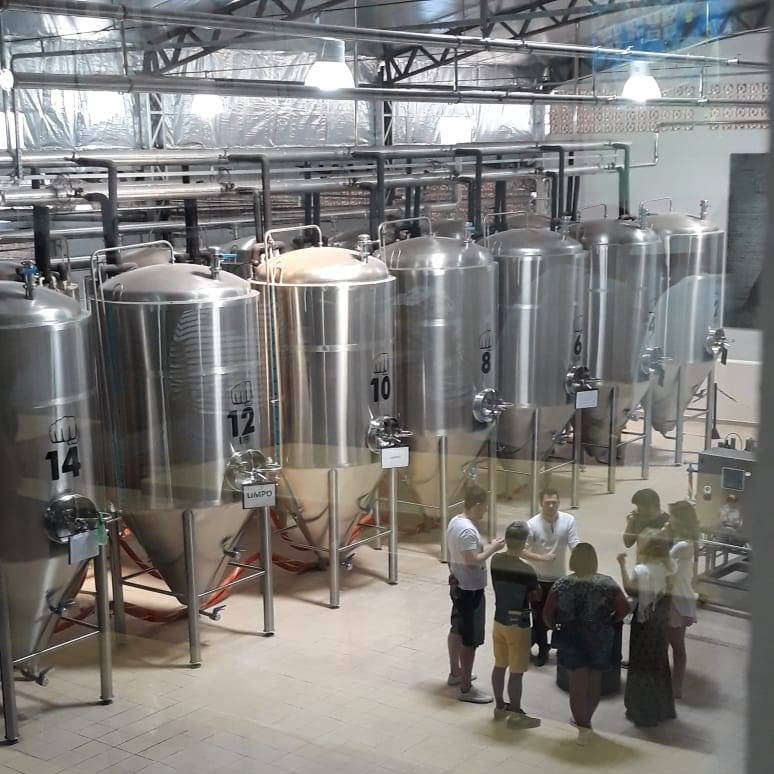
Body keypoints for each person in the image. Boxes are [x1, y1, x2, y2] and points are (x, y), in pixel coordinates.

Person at [543, 543, 630, 745]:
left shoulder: (562, 584)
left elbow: (547, 615)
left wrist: (556, 627)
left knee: (577, 687)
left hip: (571, 638)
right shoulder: (607, 584)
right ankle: (586, 720)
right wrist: (610, 620)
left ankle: (582, 727)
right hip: (599, 638)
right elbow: (625, 608)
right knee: (594, 683)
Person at [447, 485, 505, 703]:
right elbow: (472, 561)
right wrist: (493, 548)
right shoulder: (468, 531)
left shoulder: (455, 522)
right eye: (485, 507)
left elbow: (453, 554)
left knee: (456, 629)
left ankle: (455, 672)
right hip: (470, 590)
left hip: (459, 584)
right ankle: (465, 688)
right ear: (478, 504)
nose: (486, 511)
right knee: (469, 640)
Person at [617, 530, 677, 727]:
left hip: (643, 622)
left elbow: (630, 590)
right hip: (660, 620)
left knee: (641, 664)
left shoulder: (641, 570)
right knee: (659, 662)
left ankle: (642, 710)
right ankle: (662, 708)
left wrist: (622, 565)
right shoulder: (668, 567)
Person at [490, 521, 542, 729]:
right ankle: (516, 714)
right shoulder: (526, 570)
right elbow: (535, 595)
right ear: (524, 543)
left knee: (500, 664)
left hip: (499, 618)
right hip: (518, 621)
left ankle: (499, 707)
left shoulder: (495, 560)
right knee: (516, 671)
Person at [521, 488, 580, 666]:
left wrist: (581, 554)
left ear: (559, 502)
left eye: (555, 502)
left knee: (560, 617)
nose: (552, 505)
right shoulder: (531, 524)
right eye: (548, 503)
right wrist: (542, 558)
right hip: (538, 580)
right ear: (541, 503)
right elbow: (522, 550)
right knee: (539, 618)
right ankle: (542, 648)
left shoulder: (569, 520)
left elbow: (574, 542)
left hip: (560, 579)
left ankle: (559, 647)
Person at [665, 501, 699, 699]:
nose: (670, 519)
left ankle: (675, 687)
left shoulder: (682, 545)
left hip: (675, 600)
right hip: (680, 597)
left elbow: (665, 566)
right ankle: (673, 685)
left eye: (673, 516)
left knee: (675, 644)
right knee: (675, 644)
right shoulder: (684, 541)